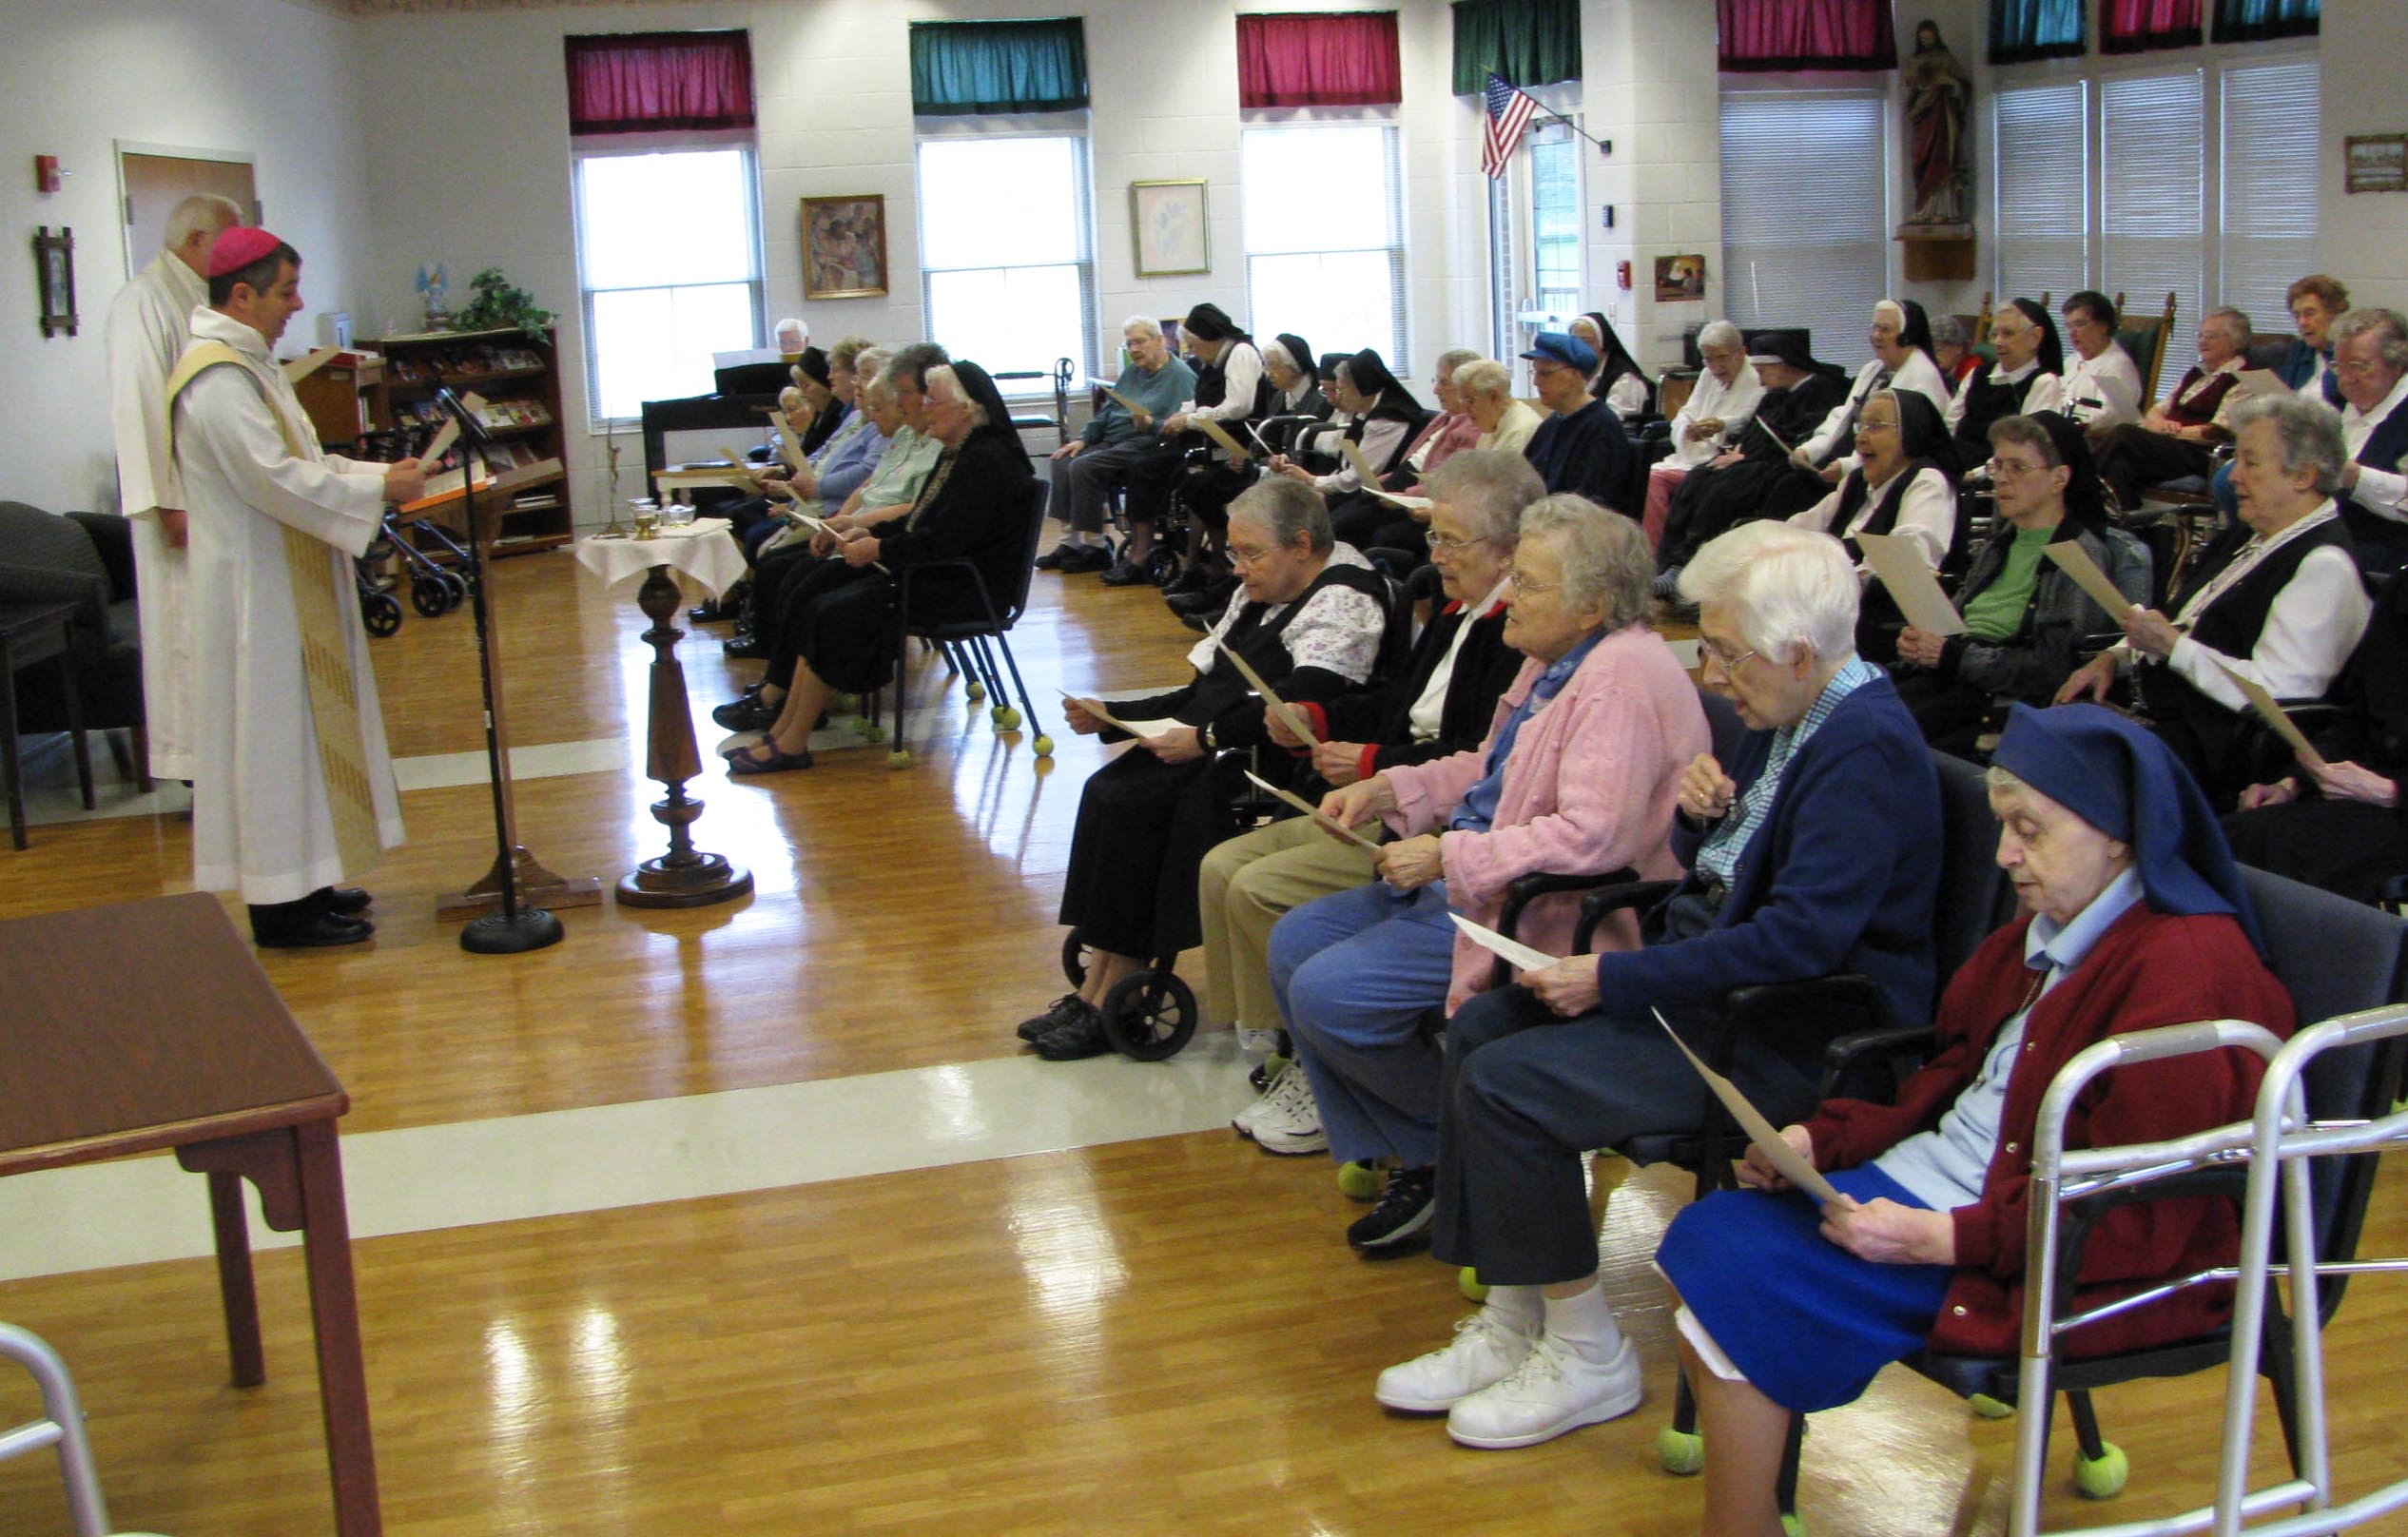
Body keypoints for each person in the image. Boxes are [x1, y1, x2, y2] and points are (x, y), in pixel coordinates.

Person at [1656, 703, 2291, 1537]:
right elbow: (1956, 1075)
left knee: (1734, 1272)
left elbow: (2152, 1211)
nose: (2005, 856)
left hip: (2057, 1249)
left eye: (2030, 831)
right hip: (1970, 1197)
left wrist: (1944, 1240)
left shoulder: (2186, 975)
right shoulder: (2048, 932)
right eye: (2003, 827)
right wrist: (1826, 1138)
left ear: (2120, 835)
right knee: (1713, 1243)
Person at [1369, 521, 1939, 1451]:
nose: (1711, 675)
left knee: (1515, 1086)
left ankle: (1590, 1352)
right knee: (1483, 1030)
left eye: (1723, 653)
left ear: (1798, 651)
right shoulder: (1790, 708)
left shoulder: (1862, 745)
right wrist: (1691, 812)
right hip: (1724, 994)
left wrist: (1617, 976)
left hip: (1791, 1036)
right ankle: (1519, 1316)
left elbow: (1798, 941)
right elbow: (1709, 868)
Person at [1268, 498, 1705, 1238]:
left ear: (1594, 601)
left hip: (1548, 913)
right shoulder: (1558, 658)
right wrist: (1389, 788)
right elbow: (1493, 767)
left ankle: (1457, 1146)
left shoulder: (1621, 680)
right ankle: (1436, 1149)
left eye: (1528, 582)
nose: (1509, 593)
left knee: (1332, 994)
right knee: (1292, 945)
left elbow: (1590, 838)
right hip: (1482, 870)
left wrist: (1447, 853)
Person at [1209, 451, 1543, 1147]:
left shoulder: (1513, 632)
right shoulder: (1459, 612)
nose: (1435, 554)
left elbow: (1475, 763)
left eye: (1451, 540)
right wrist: (1325, 731)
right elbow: (1404, 711)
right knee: (1220, 868)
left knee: (1262, 889)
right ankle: (1284, 1038)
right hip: (1398, 795)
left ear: (1511, 549)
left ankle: (1319, 1058)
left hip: (1432, 828)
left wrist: (1374, 766)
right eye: (1435, 537)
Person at [1027, 478, 1394, 1061]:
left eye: (1250, 554)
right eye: (1234, 552)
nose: (1238, 568)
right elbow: (1206, 689)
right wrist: (1116, 716)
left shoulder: (1346, 599)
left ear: (1301, 544)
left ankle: (1111, 990)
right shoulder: (1265, 587)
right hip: (1218, 740)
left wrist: (1205, 738)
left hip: (1271, 758)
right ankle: (1101, 976)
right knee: (1106, 787)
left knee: (1139, 802)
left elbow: (1299, 708)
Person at [167, 228, 426, 948]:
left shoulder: (250, 365)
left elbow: (304, 460)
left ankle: (307, 878)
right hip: (258, 594)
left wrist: (374, 478)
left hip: (288, 579)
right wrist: (378, 486)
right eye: (285, 290)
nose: (298, 304)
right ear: (241, 294)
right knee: (274, 745)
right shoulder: (215, 378)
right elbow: (274, 480)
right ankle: (279, 909)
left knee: (305, 738)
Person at [724, 358, 1033, 774]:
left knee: (833, 611)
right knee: (822, 600)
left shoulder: (986, 461)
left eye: (933, 400)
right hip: (941, 574)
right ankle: (784, 730)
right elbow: (922, 522)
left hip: (964, 588)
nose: (924, 407)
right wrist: (863, 533)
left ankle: (792, 740)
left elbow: (941, 541)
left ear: (967, 408)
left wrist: (879, 550)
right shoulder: (962, 453)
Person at [2059, 394, 2370, 803]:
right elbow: (2179, 620)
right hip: (2167, 718)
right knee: (2038, 734)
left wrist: (2174, 649)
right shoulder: (2249, 533)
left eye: (2250, 462)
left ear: (2304, 476)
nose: (2232, 476)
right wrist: (2113, 658)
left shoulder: (2324, 565)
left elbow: (2277, 697)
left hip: (2220, 751)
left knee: (2061, 775)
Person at [1892, 414, 2149, 754]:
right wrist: (1920, 644)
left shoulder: (2079, 556)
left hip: (1997, 702)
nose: (2001, 479)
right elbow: (1953, 627)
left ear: (2059, 478)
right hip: (1952, 678)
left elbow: (2051, 667)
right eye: (1998, 466)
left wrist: (1952, 656)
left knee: (1879, 736)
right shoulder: (2000, 542)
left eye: (2018, 468)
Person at [105, 191, 242, 782]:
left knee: (217, 635)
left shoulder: (199, 299)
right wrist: (166, 504)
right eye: (228, 241)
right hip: (176, 504)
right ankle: (195, 767)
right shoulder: (143, 301)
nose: (238, 254)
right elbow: (137, 409)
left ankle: (226, 760)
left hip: (215, 497)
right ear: (194, 242)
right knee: (185, 636)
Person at [2226, 570, 2408, 905]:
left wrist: (2391, 792)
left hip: (2395, 809)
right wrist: (2293, 784)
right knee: (2232, 836)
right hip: (2364, 794)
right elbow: (2356, 715)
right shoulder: (2401, 593)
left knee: (2266, 852)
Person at [1654, 332, 1851, 591]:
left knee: (1727, 488)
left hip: (1786, 466)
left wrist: (1745, 457)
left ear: (1782, 365)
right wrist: (1739, 451)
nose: (1758, 378)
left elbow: (1804, 440)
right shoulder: (1776, 392)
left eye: (1762, 370)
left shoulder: (1823, 391)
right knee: (1698, 478)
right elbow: (1755, 430)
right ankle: (1671, 563)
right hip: (1755, 460)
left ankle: (1694, 569)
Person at [1787, 390, 1960, 662]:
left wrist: (1836, 582)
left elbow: (1907, 554)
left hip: (1881, 625)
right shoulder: (1856, 482)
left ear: (1909, 434)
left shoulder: (1926, 481)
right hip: (1831, 612)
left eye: (1875, 426)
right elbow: (1802, 527)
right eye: (1861, 426)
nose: (1860, 438)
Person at [1107, 302, 1269, 586]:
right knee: (1144, 464)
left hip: (1233, 443)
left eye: (1193, 344)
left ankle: (1195, 564)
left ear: (1208, 337)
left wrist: (1191, 419)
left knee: (1163, 472)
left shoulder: (1240, 353)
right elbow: (1205, 398)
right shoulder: (1214, 359)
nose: (1192, 351)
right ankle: (1187, 563)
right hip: (1209, 436)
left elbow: (1239, 406)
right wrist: (1184, 412)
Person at [1037, 316, 1195, 574]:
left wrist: (1150, 425)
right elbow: (1107, 412)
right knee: (1062, 459)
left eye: (1140, 342)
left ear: (1159, 340)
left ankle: (1096, 546)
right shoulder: (1132, 373)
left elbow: (1180, 427)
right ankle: (1070, 543)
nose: (1134, 349)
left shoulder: (1180, 376)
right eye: (1129, 344)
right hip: (1112, 440)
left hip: (1146, 443)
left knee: (1084, 466)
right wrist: (1083, 438)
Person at [2205, 276, 2350, 520]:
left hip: (2317, 447)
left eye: (2310, 313)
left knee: (2240, 481)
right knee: (2229, 478)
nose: (2302, 322)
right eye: (2297, 316)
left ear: (2334, 313)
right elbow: (2285, 396)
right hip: (2285, 438)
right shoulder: (2301, 351)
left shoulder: (2345, 358)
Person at [2092, 307, 2253, 512]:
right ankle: (2131, 525)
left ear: (2235, 342)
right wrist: (2160, 424)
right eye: (2201, 335)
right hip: (2171, 448)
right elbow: (2155, 411)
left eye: (2210, 336)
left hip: (2202, 454)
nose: (2202, 341)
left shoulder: (2243, 377)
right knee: (2120, 465)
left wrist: (2170, 431)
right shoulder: (2196, 373)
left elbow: (2217, 429)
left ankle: (2079, 490)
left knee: (2124, 433)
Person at [1790, 300, 1952, 482]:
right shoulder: (1873, 369)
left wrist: (1849, 466)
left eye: (1885, 329)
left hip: (1894, 474)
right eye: (1874, 328)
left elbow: (1900, 442)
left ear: (1905, 336)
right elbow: (1844, 415)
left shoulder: (1923, 376)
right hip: (1858, 458)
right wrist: (1810, 450)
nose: (1875, 336)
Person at [1640, 321, 1763, 548]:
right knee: (1640, 476)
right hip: (1690, 457)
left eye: (1722, 358)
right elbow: (1687, 413)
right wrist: (1687, 429)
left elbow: (1748, 419)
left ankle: (1658, 552)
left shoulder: (1757, 377)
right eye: (1708, 359)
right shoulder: (1707, 374)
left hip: (1725, 460)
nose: (1715, 366)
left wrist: (1720, 425)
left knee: (1652, 480)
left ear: (1741, 352)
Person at [2321, 306, 2408, 576]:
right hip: (2330, 539)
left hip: (2382, 553)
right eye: (2339, 366)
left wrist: (2354, 476)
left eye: (2359, 366)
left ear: (2397, 363)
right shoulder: (2339, 404)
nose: (2347, 379)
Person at [1520, 331, 1636, 510]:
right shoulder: (1554, 422)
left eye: (1545, 374)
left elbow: (1588, 504)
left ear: (1574, 375)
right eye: (1534, 372)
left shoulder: (1601, 428)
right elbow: (1525, 477)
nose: (1536, 381)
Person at [1942, 298, 2063, 465]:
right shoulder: (1977, 374)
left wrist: (1976, 474)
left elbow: (2027, 450)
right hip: (1957, 470)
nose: (1998, 342)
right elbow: (1950, 427)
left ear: (2035, 337)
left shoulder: (2044, 383)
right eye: (1994, 335)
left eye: (2008, 334)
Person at [2059, 291, 2144, 430]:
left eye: (2079, 324)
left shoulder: (2117, 365)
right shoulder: (2071, 361)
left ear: (2103, 326)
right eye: (2069, 326)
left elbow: (2110, 418)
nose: (2072, 333)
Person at [1568, 311, 1654, 420]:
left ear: (1602, 343)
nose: (1578, 348)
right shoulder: (1577, 371)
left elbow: (1613, 423)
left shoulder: (1624, 379)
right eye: (1574, 342)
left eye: (1587, 341)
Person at [1459, 360, 1540, 455]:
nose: (1465, 409)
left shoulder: (1520, 432)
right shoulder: (1493, 423)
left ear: (1494, 397)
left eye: (1470, 401)